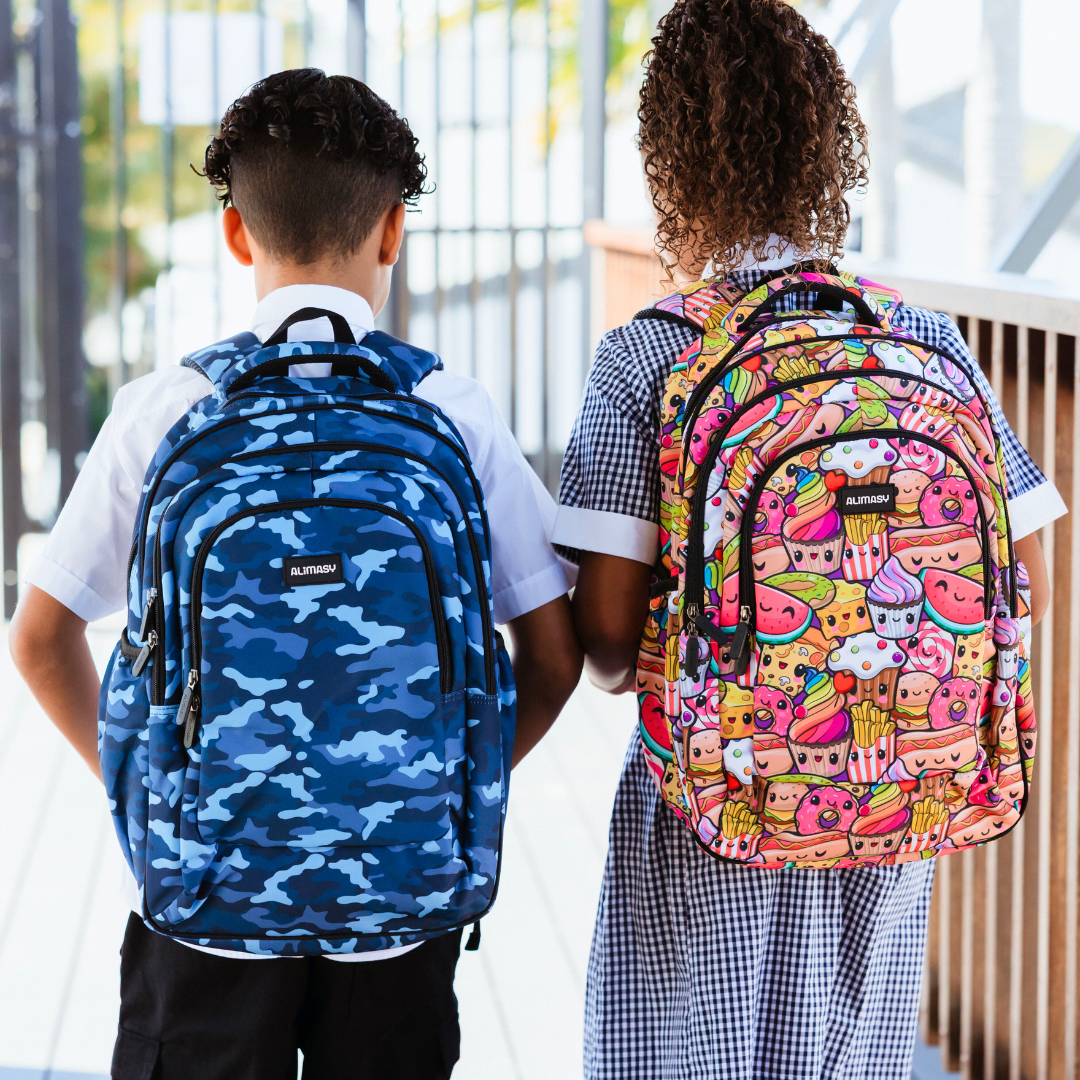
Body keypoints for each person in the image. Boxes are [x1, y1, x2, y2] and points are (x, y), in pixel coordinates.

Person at [10, 69, 582, 1080]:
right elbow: (550, 658)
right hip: (400, 916)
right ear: (394, 231)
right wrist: (445, 791)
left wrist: (154, 791)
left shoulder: (162, 410)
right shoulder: (456, 411)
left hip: (208, 906)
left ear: (238, 234)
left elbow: (40, 636)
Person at [551, 3, 1065, 1077]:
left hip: (713, 803)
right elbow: (1031, 579)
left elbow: (603, 644)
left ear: (669, 160)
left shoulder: (649, 355)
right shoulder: (920, 338)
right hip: (893, 797)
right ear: (831, 150)